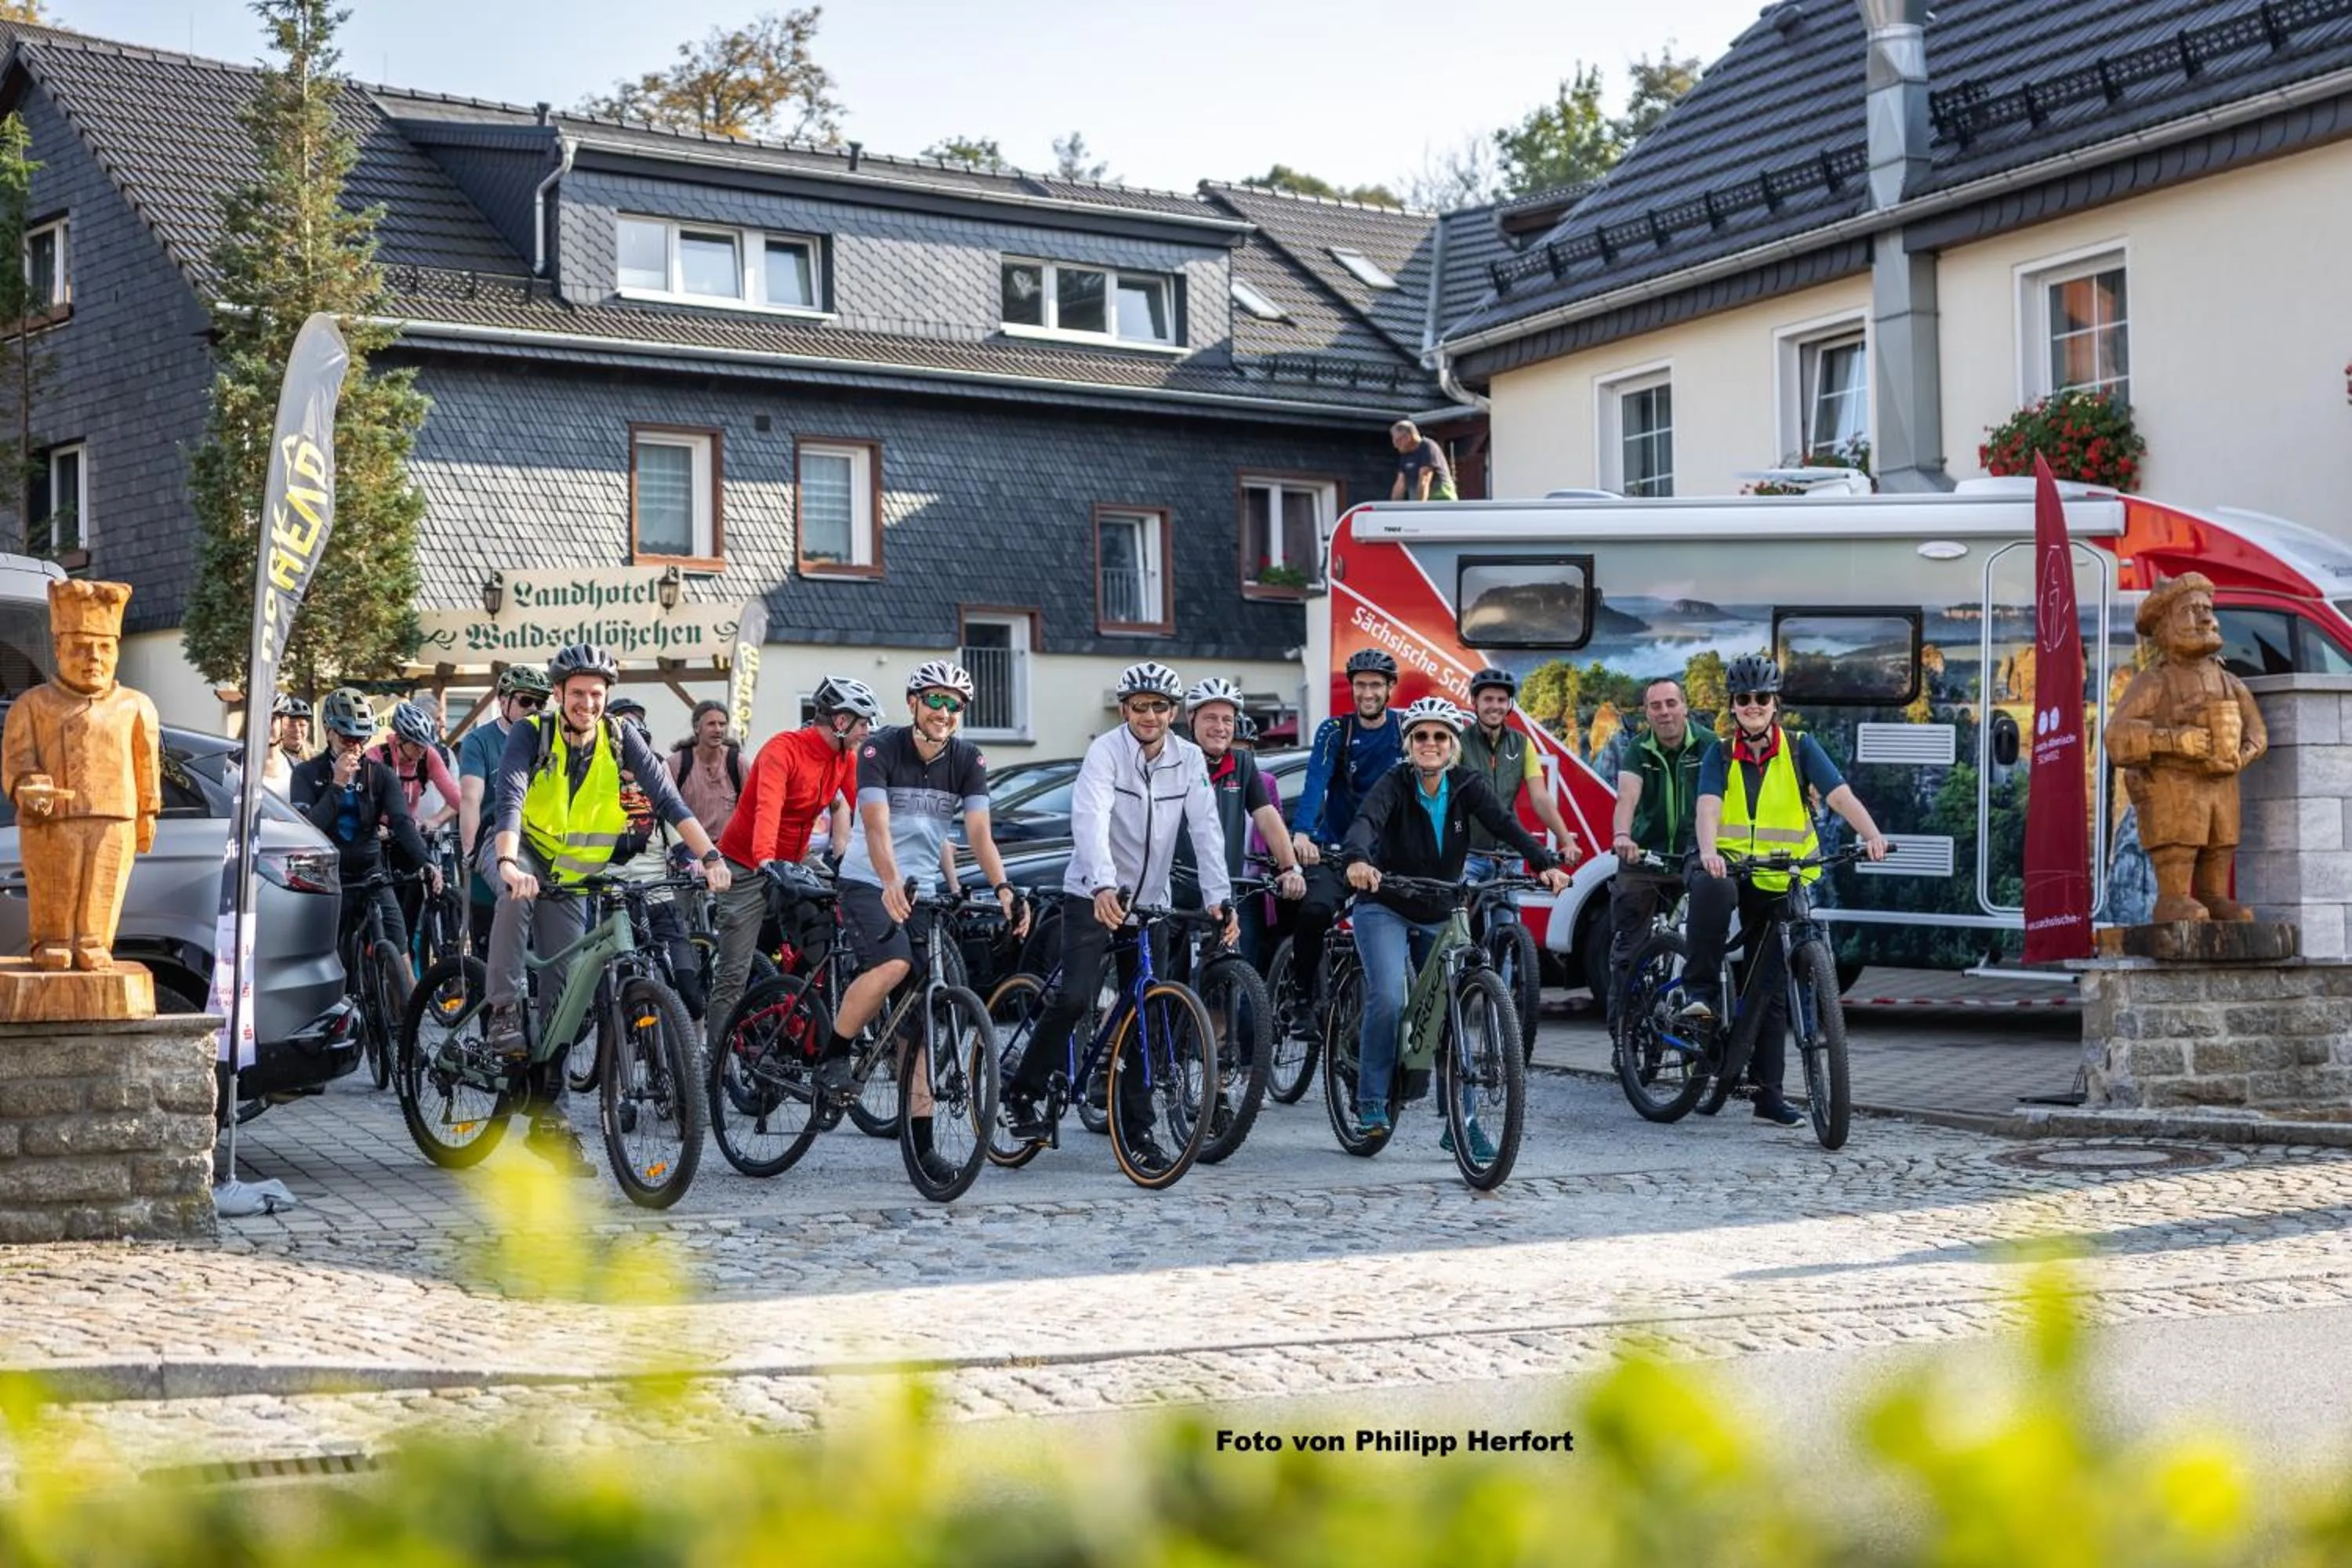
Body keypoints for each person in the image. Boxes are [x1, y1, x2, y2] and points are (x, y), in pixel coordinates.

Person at [481, 644, 732, 1173]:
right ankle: (503, 1010)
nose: (588, 703)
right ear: (559, 694)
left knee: (567, 990)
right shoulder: (533, 734)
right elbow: (510, 796)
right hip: (519, 851)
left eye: (597, 694)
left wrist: (709, 855)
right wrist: (507, 862)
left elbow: (669, 800)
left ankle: (552, 1122)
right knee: (514, 901)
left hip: (574, 876)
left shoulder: (621, 740)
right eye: (578, 694)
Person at [1001, 662, 1235, 1161]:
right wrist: (1104, 883)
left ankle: (1137, 1132)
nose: (1149, 715)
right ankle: (1022, 1093)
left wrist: (1219, 896)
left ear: (1173, 713)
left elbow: (1206, 830)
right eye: (1139, 706)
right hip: (1094, 893)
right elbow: (1090, 818)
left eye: (1159, 707)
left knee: (1146, 1012)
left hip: (1151, 901)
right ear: (1125, 709)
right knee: (1074, 998)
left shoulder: (1190, 759)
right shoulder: (1105, 752)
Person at [1340, 699, 1570, 1149]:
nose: (1430, 744)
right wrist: (1357, 861)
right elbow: (1366, 822)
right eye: (1421, 736)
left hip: (1441, 907)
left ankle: (1461, 1124)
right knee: (1388, 994)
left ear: (1452, 746)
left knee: (1455, 1007)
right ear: (1409, 744)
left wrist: (1544, 862)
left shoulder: (1467, 784)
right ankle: (1370, 1099)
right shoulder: (1395, 782)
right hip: (1385, 903)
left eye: (1440, 736)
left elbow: (1505, 824)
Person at [833, 660, 1027, 1182]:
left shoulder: (968, 759)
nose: (943, 712)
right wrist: (891, 881)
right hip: (869, 880)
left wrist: (1004, 888)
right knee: (894, 964)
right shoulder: (880, 749)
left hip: (923, 889)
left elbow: (980, 835)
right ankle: (834, 1054)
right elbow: (874, 828)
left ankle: (921, 1147)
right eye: (934, 701)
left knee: (923, 1021)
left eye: (954, 704)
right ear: (914, 702)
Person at [1683, 654, 1888, 1127]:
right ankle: (1701, 996)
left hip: (1780, 874)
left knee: (1771, 984)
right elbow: (1708, 807)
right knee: (1714, 892)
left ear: (1775, 703)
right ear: (1733, 706)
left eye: (1761, 698)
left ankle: (1767, 1094)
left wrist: (1871, 834)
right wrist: (1710, 850)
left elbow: (1839, 795)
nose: (1753, 706)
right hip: (1727, 865)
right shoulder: (1719, 751)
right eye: (1743, 699)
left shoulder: (1800, 747)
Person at [706, 675, 885, 1047]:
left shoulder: (844, 758)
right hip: (747, 861)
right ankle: (713, 1067)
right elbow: (767, 809)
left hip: (796, 855)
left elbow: (869, 811)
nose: (867, 731)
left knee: (838, 908)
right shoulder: (783, 750)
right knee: (733, 973)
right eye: (863, 722)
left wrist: (891, 860)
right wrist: (767, 861)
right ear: (840, 721)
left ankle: (799, 990)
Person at [291, 688, 441, 995]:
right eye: (348, 738)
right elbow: (307, 830)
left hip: (371, 874)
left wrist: (426, 861)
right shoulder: (307, 773)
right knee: (334, 965)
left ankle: (408, 1032)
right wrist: (336, 785)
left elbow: (401, 822)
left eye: (362, 739)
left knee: (401, 960)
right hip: (330, 879)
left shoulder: (380, 774)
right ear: (329, 732)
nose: (356, 746)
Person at [1287, 648, 1407, 1025]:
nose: (1367, 693)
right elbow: (1315, 784)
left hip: (1389, 855)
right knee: (1315, 911)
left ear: (1390, 689)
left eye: (1375, 685)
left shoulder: (1406, 730)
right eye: (1360, 685)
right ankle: (1301, 996)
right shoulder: (1335, 731)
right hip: (1337, 848)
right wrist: (1303, 832)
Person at [1176, 675, 1304, 967]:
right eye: (1210, 718)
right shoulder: (1174, 760)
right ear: (1191, 717)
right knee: (1168, 983)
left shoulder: (1243, 763)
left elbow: (1267, 815)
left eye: (1227, 719)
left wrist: (1289, 867)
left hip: (1224, 890)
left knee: (1233, 975)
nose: (1220, 727)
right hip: (1176, 892)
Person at [1607, 676, 1707, 1018]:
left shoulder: (1709, 746)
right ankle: (1624, 1035)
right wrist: (1623, 836)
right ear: (1647, 713)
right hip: (1644, 858)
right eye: (1655, 706)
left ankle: (1699, 1015)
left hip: (1695, 857)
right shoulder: (1638, 749)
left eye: (1671, 703)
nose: (1664, 712)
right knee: (1628, 951)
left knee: (1705, 942)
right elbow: (1626, 798)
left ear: (1685, 707)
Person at [603, 694, 706, 1018]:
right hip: (612, 898)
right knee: (622, 995)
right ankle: (623, 1053)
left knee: (691, 996)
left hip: (659, 894)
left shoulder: (657, 781)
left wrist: (695, 860)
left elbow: (678, 827)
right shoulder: (596, 782)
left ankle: (692, 1054)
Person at [459, 664, 550, 957]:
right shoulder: (479, 741)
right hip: (494, 838)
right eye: (525, 701)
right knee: (507, 904)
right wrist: (470, 851)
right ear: (503, 700)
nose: (534, 709)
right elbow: (471, 798)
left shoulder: (550, 739)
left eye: (541, 702)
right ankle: (502, 998)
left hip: (541, 840)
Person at [1461, 667, 1582, 881]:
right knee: (1460, 912)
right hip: (1469, 854)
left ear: (1509, 704)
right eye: (1488, 699)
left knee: (1507, 915)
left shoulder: (1523, 744)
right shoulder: (1459, 742)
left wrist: (1567, 841)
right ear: (1475, 702)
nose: (1495, 706)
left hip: (1510, 853)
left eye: (1502, 700)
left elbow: (1540, 798)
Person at [668, 699, 743, 843]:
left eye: (722, 724)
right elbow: (665, 811)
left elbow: (755, 807)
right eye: (711, 724)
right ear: (697, 728)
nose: (718, 730)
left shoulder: (738, 762)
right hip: (689, 851)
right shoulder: (676, 764)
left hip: (728, 853)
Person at [1388, 419, 1457, 503]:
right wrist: (1393, 508)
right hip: (1422, 503)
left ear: (1408, 437)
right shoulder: (1405, 455)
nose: (1395, 445)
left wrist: (1419, 508)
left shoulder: (1427, 447)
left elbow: (1424, 479)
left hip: (1442, 501)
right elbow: (1400, 484)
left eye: (1397, 441)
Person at [261, 694, 308, 798]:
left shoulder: (299, 769)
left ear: (284, 723)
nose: (266, 726)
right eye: (261, 720)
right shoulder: (235, 764)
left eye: (272, 720)